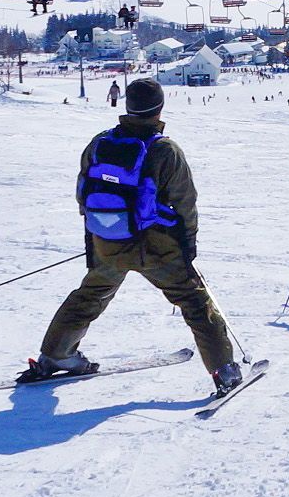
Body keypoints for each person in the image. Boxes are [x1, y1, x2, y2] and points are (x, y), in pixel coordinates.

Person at [29, 78, 244, 395]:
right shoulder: (165, 150)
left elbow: (84, 194)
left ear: (127, 106)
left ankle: (56, 354)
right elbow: (185, 204)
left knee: (89, 296)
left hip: (108, 242)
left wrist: (105, 231)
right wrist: (188, 248)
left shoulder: (100, 143)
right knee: (195, 303)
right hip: (158, 248)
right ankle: (223, 369)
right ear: (159, 108)